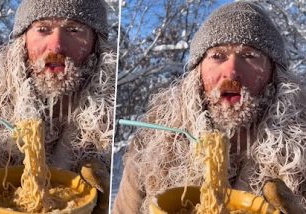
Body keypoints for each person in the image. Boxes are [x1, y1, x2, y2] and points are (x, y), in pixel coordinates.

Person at [114, 1, 306, 213]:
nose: (232, 71)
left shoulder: (302, 148)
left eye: (249, 56)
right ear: (197, 72)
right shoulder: (151, 143)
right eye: (218, 56)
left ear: (274, 75)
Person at [0, 0, 116, 213]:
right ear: (22, 40)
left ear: (95, 45)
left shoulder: (113, 124)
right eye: (43, 29)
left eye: (73, 30)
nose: (56, 46)